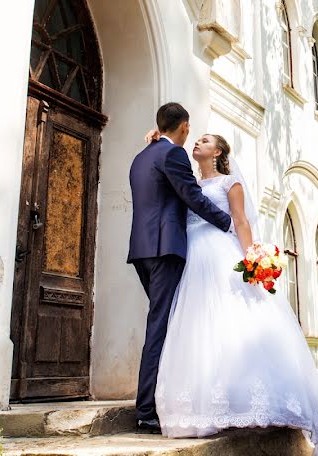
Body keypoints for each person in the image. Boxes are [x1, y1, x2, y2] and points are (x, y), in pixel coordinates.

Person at [153, 132, 318, 456]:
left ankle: (250, 401)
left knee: (234, 321)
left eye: (206, 140)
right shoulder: (192, 183)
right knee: (199, 326)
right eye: (198, 139)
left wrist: (252, 259)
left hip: (222, 253)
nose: (197, 142)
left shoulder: (230, 184)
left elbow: (240, 221)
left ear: (219, 151)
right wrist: (156, 139)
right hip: (194, 257)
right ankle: (207, 405)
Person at [127, 103, 233, 434]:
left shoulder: (141, 156)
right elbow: (191, 196)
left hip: (142, 249)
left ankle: (166, 397)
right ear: (184, 127)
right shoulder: (173, 156)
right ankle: (146, 411)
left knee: (170, 323)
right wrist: (226, 221)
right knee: (160, 326)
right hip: (166, 249)